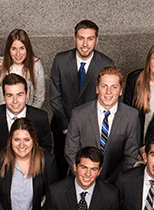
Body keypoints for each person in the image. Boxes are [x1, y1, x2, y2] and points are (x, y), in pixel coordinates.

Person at [49, 20, 115, 176]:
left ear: (96, 40)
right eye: (81, 38)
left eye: (90, 38)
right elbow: (54, 97)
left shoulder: (106, 64)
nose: (85, 43)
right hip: (62, 126)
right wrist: (66, 126)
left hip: (91, 129)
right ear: (74, 38)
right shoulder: (60, 60)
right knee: (59, 170)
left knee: (85, 171)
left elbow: (106, 99)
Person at [65, 65, 140, 183]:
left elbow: (130, 156)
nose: (108, 92)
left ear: (120, 91)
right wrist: (86, 177)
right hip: (80, 180)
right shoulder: (78, 114)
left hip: (114, 182)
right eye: (104, 86)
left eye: (114, 87)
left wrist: (111, 182)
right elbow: (70, 152)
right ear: (97, 89)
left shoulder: (131, 116)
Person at [0, 73, 52, 158]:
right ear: (3, 96)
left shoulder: (40, 118)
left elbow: (46, 150)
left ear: (27, 94)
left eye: (19, 95)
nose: (15, 101)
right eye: (10, 95)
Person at [0, 29, 45, 108]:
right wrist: (0, 116)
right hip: (1, 116)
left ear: (27, 49)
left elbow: (39, 97)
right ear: (8, 49)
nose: (18, 53)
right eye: (13, 48)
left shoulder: (36, 65)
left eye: (22, 48)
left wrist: (28, 117)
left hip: (27, 116)